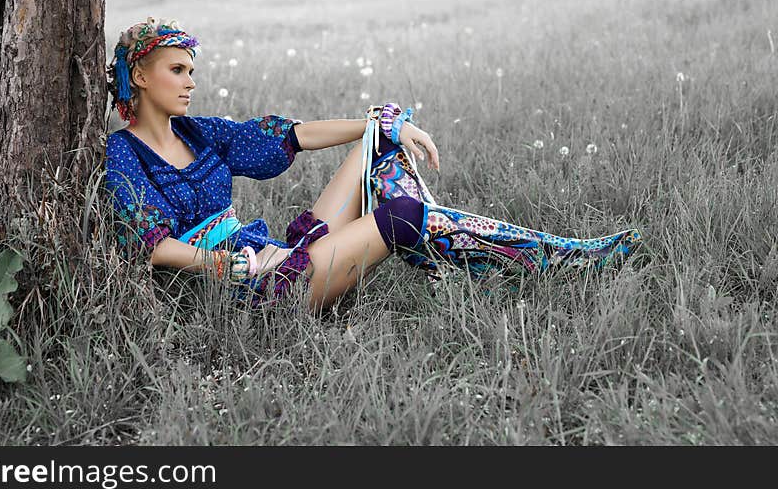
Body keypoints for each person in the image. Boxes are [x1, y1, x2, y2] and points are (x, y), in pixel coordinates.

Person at [105, 18, 642, 313]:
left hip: (271, 257)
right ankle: (559, 261)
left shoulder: (201, 132)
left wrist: (378, 125)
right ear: (142, 76)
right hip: (241, 290)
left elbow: (290, 136)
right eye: (178, 69)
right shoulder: (122, 153)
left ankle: (454, 258)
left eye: (192, 70)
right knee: (403, 213)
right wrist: (236, 267)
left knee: (378, 145)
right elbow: (152, 246)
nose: (191, 81)